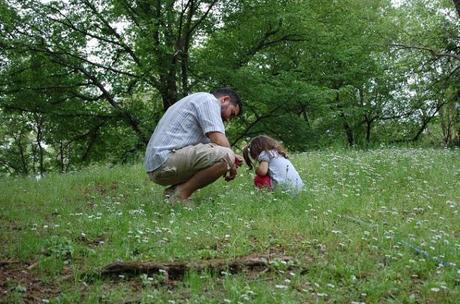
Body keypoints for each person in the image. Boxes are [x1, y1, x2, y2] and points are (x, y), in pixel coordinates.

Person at [144, 88, 243, 202]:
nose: (229, 119)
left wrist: (232, 157)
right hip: (165, 160)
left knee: (225, 155)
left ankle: (172, 194)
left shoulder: (193, 103)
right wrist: (232, 161)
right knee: (226, 155)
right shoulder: (208, 100)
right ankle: (181, 195)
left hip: (158, 164)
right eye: (232, 113)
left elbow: (212, 147)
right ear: (225, 100)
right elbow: (218, 139)